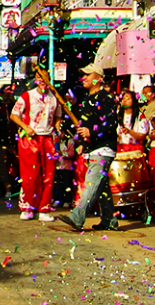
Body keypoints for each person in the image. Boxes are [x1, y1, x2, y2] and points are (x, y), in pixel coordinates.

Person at [58, 64, 119, 232]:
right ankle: (109, 219)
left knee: (92, 183)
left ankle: (78, 215)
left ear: (98, 78)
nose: (83, 78)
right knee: (102, 186)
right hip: (91, 148)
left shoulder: (106, 98)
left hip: (104, 147)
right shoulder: (86, 99)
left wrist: (92, 131)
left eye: (87, 74)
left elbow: (112, 123)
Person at [9, 69, 62, 222]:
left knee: (48, 174)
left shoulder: (55, 97)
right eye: (40, 77)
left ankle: (44, 208)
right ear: (36, 79)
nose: (43, 80)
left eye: (46, 77)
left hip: (48, 139)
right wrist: (26, 127)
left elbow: (58, 115)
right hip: (30, 139)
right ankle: (27, 207)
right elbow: (14, 115)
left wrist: (57, 126)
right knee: (30, 174)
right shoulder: (28, 95)